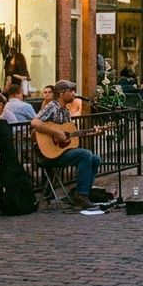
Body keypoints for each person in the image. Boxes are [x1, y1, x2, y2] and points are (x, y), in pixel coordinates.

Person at [31, 80, 102, 209]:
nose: (73, 94)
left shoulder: (65, 111)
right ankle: (81, 195)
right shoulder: (52, 106)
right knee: (85, 154)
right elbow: (35, 123)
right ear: (61, 93)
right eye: (70, 91)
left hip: (61, 152)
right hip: (48, 155)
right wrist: (56, 132)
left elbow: (70, 135)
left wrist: (91, 132)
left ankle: (81, 193)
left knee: (96, 159)